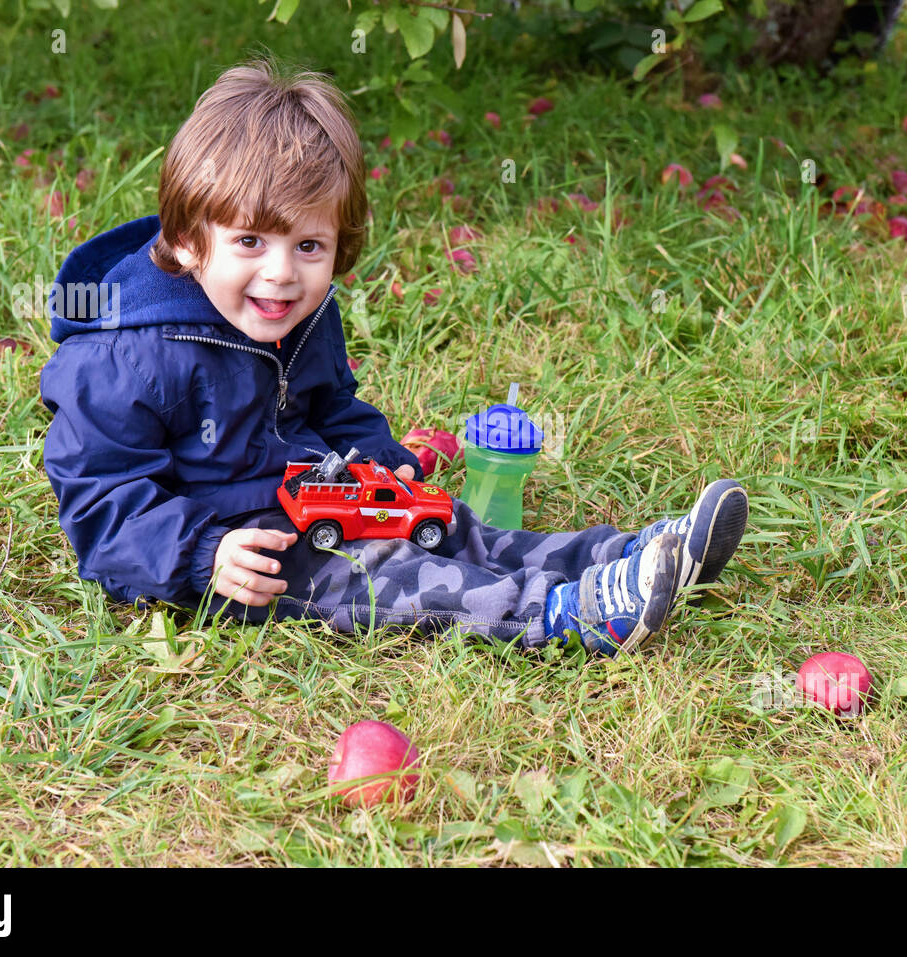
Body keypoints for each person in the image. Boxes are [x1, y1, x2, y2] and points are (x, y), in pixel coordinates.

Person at [39, 58, 749, 657]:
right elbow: (100, 504)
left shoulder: (299, 310)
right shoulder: (127, 356)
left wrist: (378, 458)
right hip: (251, 554)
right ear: (192, 240)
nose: (282, 274)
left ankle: (626, 557)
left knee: (454, 528)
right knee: (396, 575)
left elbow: (330, 406)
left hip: (323, 497)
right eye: (251, 242)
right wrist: (202, 554)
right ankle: (568, 614)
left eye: (308, 247)